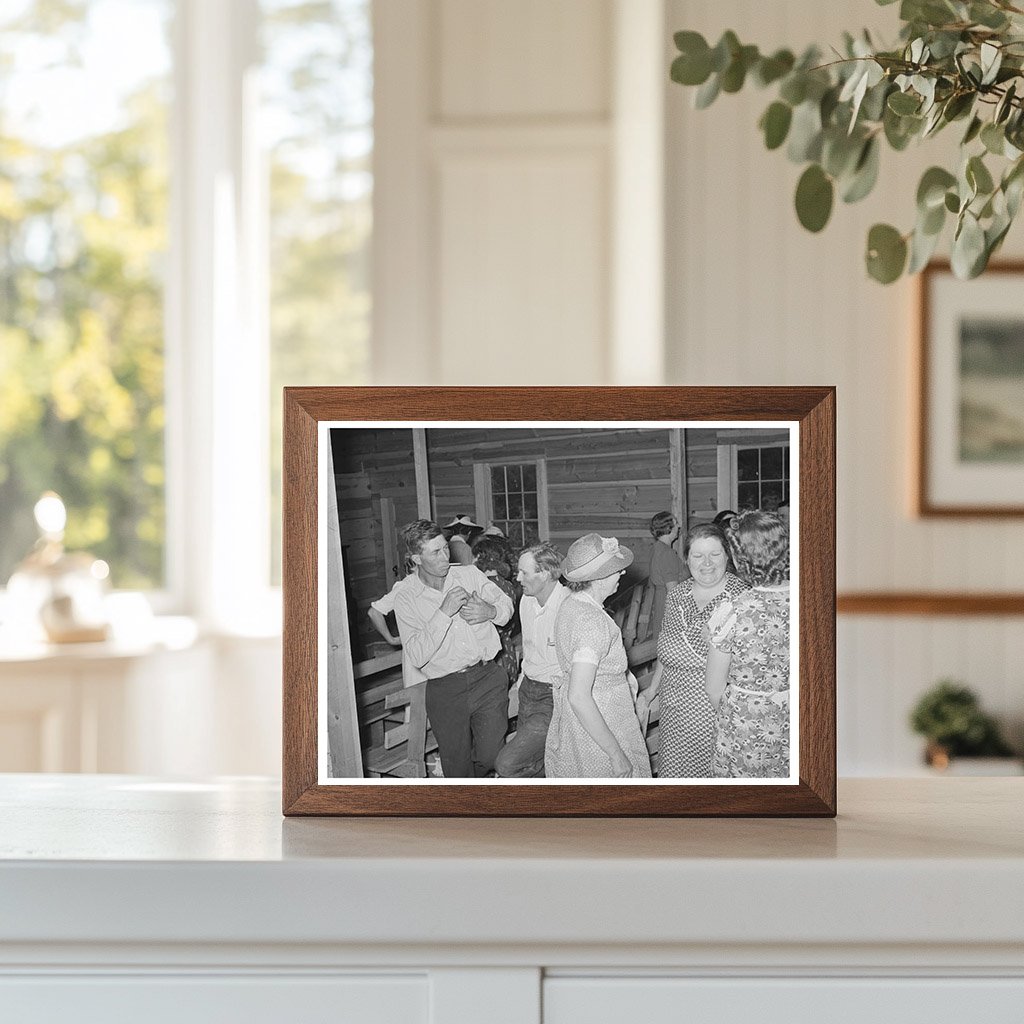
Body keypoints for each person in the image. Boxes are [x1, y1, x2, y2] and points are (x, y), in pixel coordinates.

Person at [391, 519, 513, 778]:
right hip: (446, 688)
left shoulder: (469, 574)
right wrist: (443, 613)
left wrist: (490, 611)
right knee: (457, 766)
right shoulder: (405, 596)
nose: (445, 556)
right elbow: (416, 655)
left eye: (445, 547)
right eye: (435, 552)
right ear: (416, 559)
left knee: (492, 756)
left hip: (487, 677)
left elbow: (506, 606)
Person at [636, 523, 747, 778]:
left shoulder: (742, 598)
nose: (706, 563)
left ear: (727, 556)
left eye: (715, 554)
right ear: (686, 559)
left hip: (715, 715)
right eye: (697, 555)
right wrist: (652, 690)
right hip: (674, 712)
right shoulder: (678, 595)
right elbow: (667, 648)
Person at [545, 533, 652, 779]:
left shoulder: (572, 603)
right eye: (615, 569)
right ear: (598, 577)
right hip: (602, 722)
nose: (622, 573)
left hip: (580, 723)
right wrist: (615, 754)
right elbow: (579, 695)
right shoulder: (591, 621)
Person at [706, 511, 791, 779]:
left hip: (745, 726)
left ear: (739, 559)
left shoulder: (732, 612)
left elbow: (714, 689)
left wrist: (744, 713)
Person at [493, 542, 568, 778]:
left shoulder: (568, 606)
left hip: (553, 696)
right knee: (538, 760)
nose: (518, 578)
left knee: (506, 764)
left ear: (544, 573)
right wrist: (521, 683)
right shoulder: (527, 600)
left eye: (524, 573)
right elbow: (529, 648)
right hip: (528, 689)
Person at [647, 511, 688, 636]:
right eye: (676, 523)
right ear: (667, 527)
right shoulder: (667, 553)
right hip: (669, 606)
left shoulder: (658, 548)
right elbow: (672, 590)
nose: (678, 526)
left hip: (661, 602)